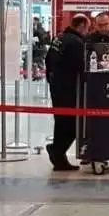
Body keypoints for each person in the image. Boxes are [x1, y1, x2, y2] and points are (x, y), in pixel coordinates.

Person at [45, 14, 90, 171]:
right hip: (67, 89)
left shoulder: (60, 38)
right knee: (72, 123)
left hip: (56, 86)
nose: (87, 31)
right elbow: (80, 67)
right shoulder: (76, 42)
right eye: (87, 27)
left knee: (61, 121)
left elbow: (48, 59)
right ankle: (57, 151)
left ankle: (59, 156)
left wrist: (50, 78)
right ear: (82, 25)